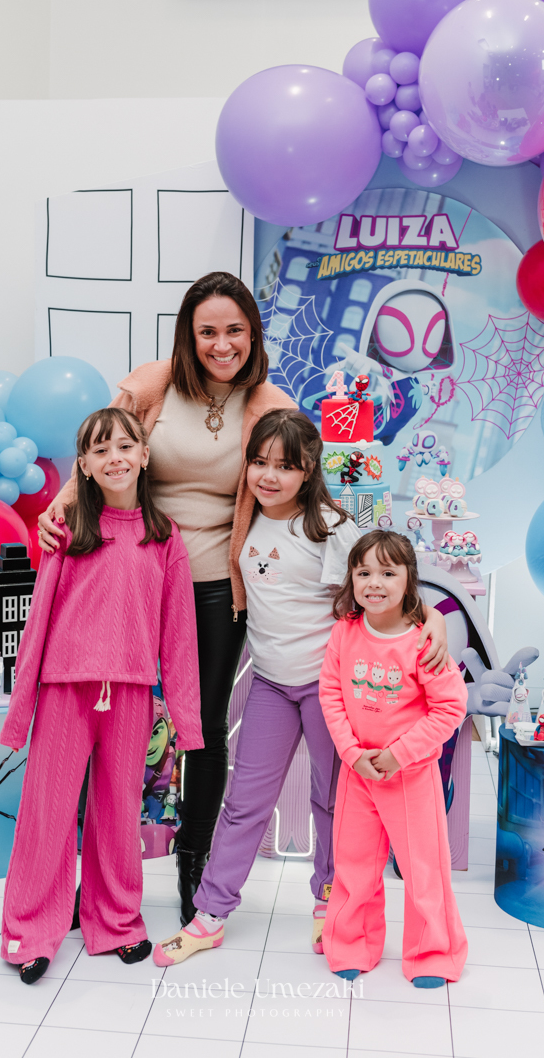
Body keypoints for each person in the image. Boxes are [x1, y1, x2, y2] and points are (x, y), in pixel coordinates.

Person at [38, 271, 450, 922]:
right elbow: (99, 452)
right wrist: (62, 505)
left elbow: (326, 511)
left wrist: (425, 614)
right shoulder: (152, 386)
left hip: (213, 587)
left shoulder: (269, 403)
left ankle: (194, 865)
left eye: (235, 330)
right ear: (189, 333)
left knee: (201, 727)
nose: (222, 344)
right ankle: (81, 874)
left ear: (253, 335)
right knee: (106, 720)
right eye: (208, 331)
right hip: (130, 576)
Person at [151, 410, 455, 967]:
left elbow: (383, 584)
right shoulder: (244, 516)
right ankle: (210, 915)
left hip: (327, 688)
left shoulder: (330, 527)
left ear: (308, 469)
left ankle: (328, 901)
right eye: (259, 462)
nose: (269, 476)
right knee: (244, 803)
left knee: (332, 801)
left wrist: (431, 616)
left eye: (285, 466)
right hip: (270, 683)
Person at [0, 407, 202, 983]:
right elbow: (37, 621)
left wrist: (187, 722)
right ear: (84, 466)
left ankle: (116, 921)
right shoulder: (67, 530)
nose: (115, 457)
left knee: (117, 814)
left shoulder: (164, 537)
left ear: (144, 455)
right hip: (66, 688)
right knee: (47, 814)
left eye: (125, 446)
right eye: (100, 449)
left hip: (131, 693)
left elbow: (179, 636)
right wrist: (20, 710)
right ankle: (29, 930)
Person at [319, 529, 468, 986]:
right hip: (358, 773)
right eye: (364, 573)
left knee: (424, 871)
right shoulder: (345, 632)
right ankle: (351, 944)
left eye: (387, 573)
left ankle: (433, 954)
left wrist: (399, 755)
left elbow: (451, 707)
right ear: (351, 578)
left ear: (408, 580)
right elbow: (331, 695)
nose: (374, 583)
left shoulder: (424, 641)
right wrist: (352, 753)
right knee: (354, 865)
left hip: (411, 776)